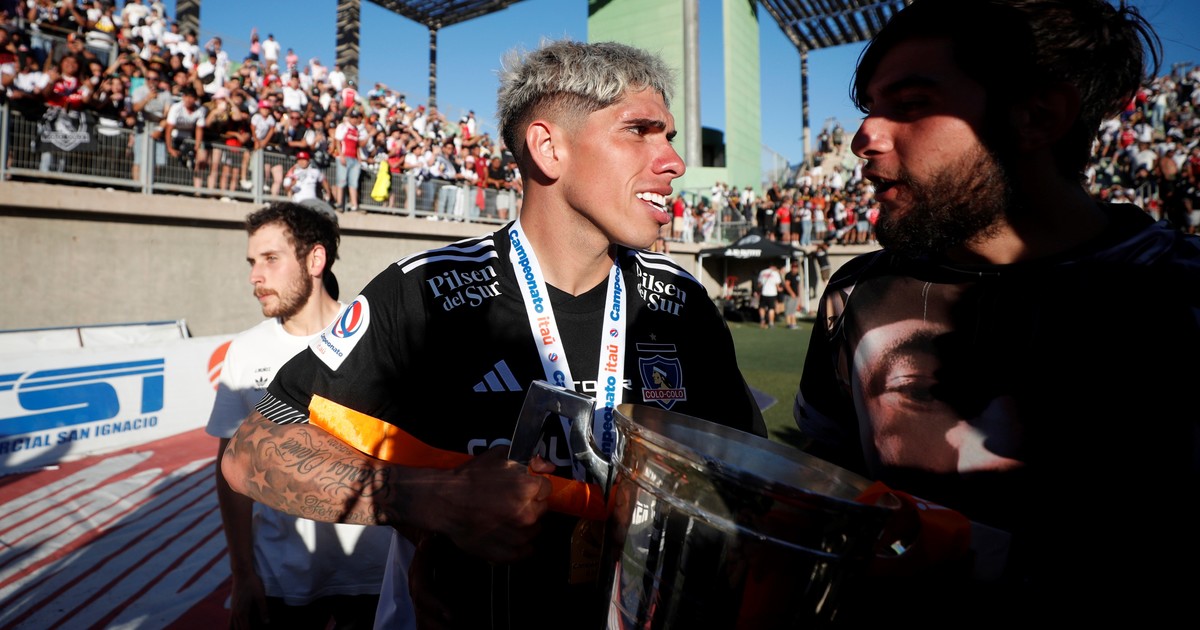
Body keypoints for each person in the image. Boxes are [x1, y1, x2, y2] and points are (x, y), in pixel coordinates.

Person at [220, 39, 765, 629]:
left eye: (669, 137)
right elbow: (250, 451)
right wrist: (433, 499)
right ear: (549, 148)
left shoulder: (681, 303)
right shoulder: (427, 291)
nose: (674, 162)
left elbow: (754, 480)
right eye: (640, 131)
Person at [793, 0, 1200, 624]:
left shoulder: (1177, 295)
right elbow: (829, 484)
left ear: (1036, 117)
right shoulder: (859, 294)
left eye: (911, 104)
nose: (862, 138)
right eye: (870, 107)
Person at [207, 202, 393, 629]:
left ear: (315, 259)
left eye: (271, 259)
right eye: (253, 262)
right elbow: (231, 471)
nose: (255, 276)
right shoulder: (244, 351)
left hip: (375, 572)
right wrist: (241, 573)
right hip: (280, 574)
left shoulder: (376, 338)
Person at [755, 263, 782, 328]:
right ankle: (771, 322)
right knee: (771, 308)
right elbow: (777, 284)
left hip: (764, 292)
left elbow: (759, 284)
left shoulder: (762, 272)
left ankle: (762, 320)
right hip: (772, 293)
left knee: (762, 307)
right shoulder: (775, 273)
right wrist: (779, 289)